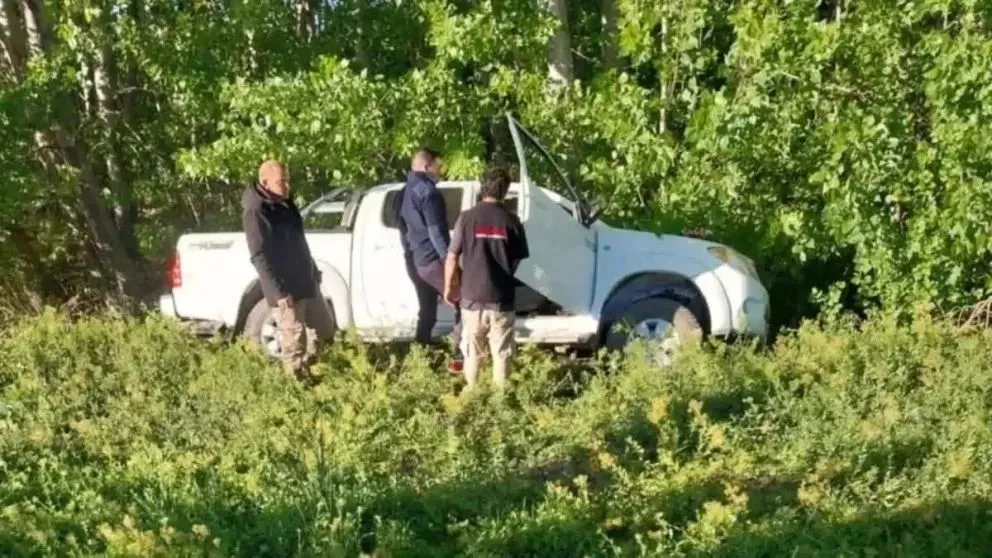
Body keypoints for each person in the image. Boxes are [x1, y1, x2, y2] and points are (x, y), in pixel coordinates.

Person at [242, 159, 334, 381]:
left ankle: (313, 374)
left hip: (305, 280)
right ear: (265, 182)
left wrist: (312, 270)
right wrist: (277, 292)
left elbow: (298, 241)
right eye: (280, 181)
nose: (286, 186)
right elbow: (259, 256)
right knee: (294, 342)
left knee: (324, 329)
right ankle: (295, 387)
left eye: (287, 181)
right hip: (284, 288)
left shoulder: (286, 203)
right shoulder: (256, 211)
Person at [443, 166, 529, 390]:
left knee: (473, 351)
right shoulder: (512, 221)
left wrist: (449, 287)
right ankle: (498, 404)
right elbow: (518, 259)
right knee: (501, 353)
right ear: (505, 191)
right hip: (501, 299)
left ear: (483, 188)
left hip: (471, 298)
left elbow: (451, 257)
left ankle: (473, 396)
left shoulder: (466, 218)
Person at [395, 148, 464, 371]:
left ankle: (419, 357)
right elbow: (436, 232)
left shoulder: (403, 192)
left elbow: (403, 231)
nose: (441, 171)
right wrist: (449, 264)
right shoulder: (428, 192)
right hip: (433, 259)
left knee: (427, 309)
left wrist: (411, 258)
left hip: (415, 261)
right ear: (427, 166)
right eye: (438, 166)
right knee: (464, 301)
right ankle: (460, 357)